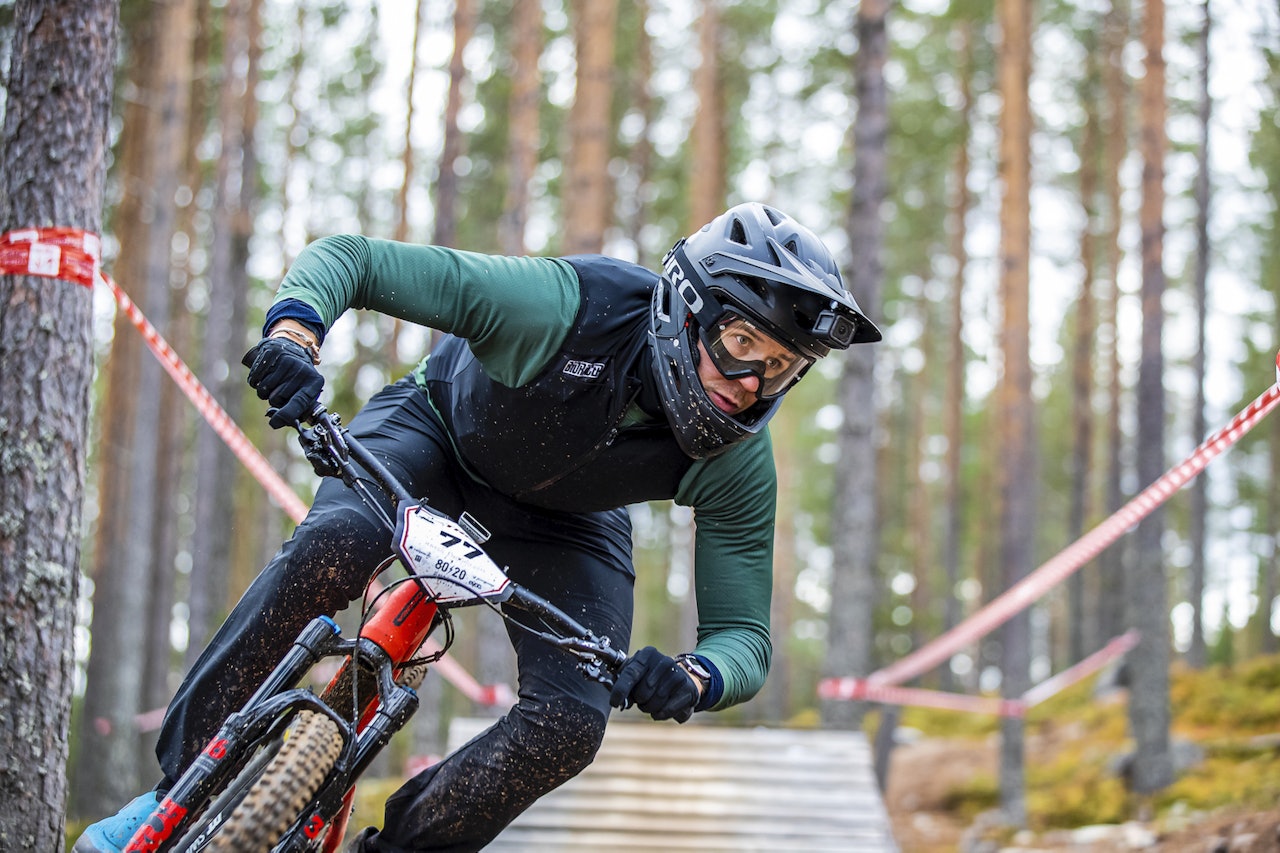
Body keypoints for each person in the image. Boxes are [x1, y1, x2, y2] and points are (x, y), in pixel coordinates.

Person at [74, 202, 880, 853]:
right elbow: (353, 258)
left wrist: (696, 675)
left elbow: (744, 636)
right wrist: (294, 333)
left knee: (570, 724)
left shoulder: (737, 456)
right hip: (436, 438)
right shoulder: (564, 309)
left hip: (568, 523)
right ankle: (174, 795)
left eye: (782, 367)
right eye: (742, 344)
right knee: (334, 545)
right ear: (686, 307)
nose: (750, 383)